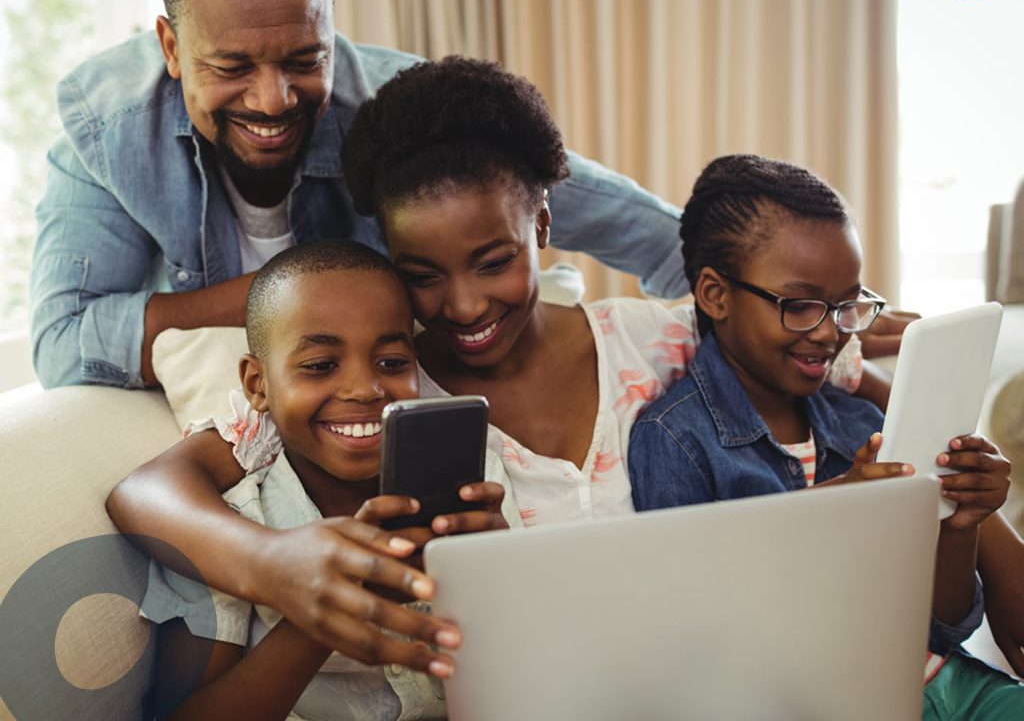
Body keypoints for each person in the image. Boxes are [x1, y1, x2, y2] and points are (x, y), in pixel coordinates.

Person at [108, 58, 868, 661]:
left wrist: (855, 337)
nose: (465, 306)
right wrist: (270, 565)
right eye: (423, 274)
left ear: (541, 226)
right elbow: (148, 491)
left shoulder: (658, 340)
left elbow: (841, 377)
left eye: (493, 260)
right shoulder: (377, 391)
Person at [29, 0, 685, 391]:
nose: (273, 99)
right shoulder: (107, 131)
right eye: (232, 68)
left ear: (333, 32)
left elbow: (664, 241)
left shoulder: (406, 113)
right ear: (171, 47)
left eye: (304, 59)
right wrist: (313, 293)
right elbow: (64, 347)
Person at [627, 154, 1024, 718]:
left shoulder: (862, 423)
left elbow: (945, 623)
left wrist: (960, 526)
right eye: (801, 305)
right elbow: (691, 638)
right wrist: (833, 513)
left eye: (846, 306)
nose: (828, 332)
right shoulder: (673, 438)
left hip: (944, 685)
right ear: (716, 295)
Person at [144, 238, 513, 720]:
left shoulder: (474, 479)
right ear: (258, 386)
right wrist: (329, 612)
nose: (365, 388)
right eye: (320, 365)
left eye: (392, 363)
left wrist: (499, 573)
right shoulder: (225, 529)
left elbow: (530, 661)